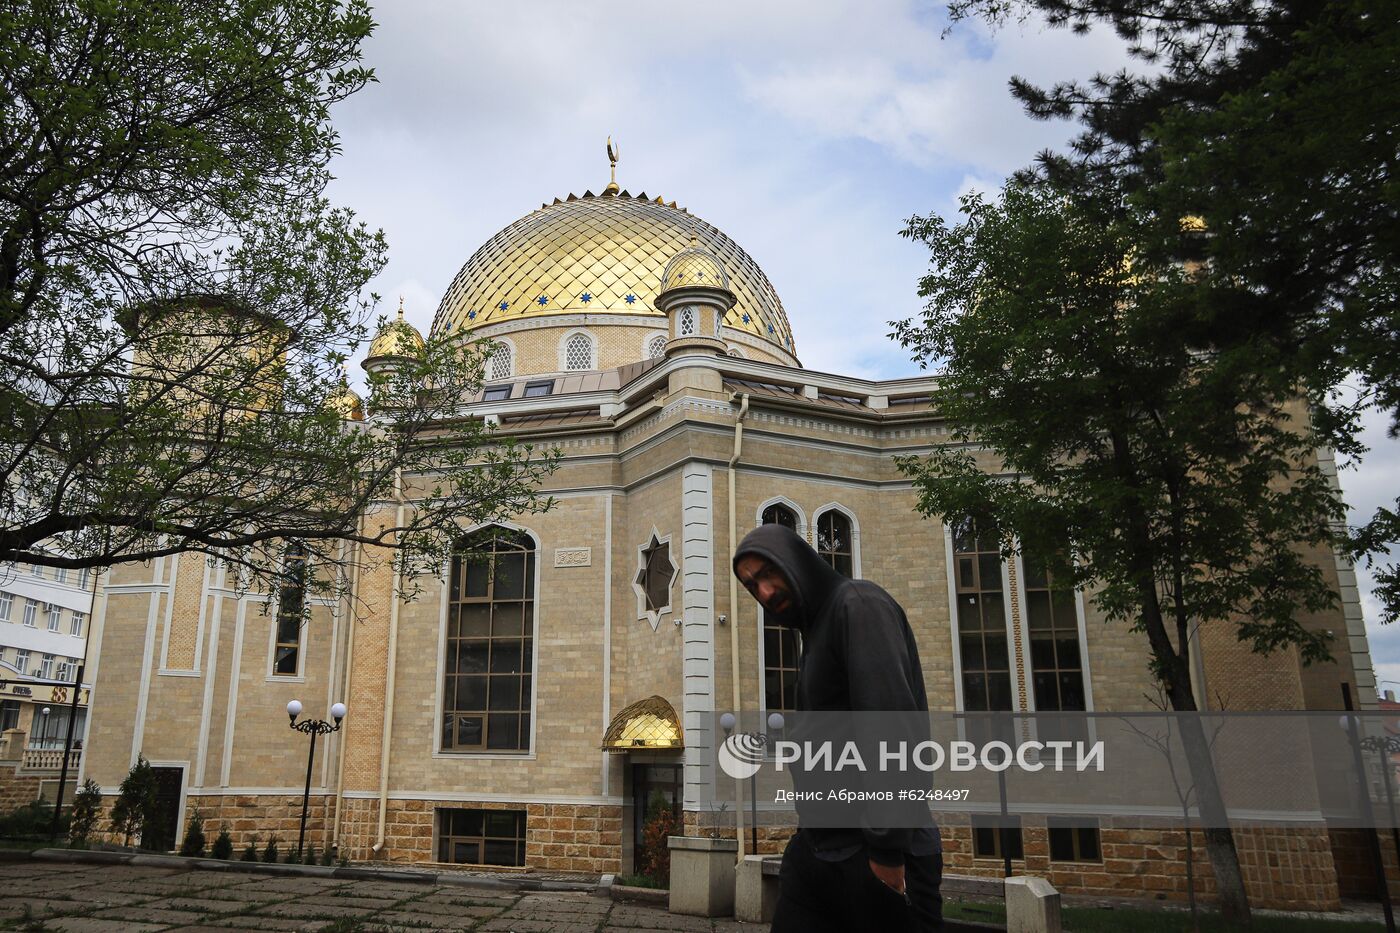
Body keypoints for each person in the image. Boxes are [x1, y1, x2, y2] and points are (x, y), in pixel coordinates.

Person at [734, 522, 942, 932]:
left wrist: (885, 852)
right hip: (819, 849)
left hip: (873, 852)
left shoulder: (858, 605)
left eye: (768, 574)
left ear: (795, 560)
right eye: (752, 585)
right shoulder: (816, 629)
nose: (765, 592)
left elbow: (890, 729)